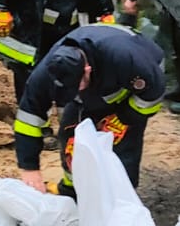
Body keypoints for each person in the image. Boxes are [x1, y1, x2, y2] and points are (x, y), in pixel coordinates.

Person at [13, 24, 166, 196]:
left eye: (77, 85)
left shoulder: (126, 58)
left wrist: (125, 117)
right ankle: (72, 191)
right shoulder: (47, 72)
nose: (75, 92)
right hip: (99, 83)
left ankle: (122, 197)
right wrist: (29, 167)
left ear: (87, 69)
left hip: (134, 81)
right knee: (70, 135)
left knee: (122, 143)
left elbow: (152, 95)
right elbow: (28, 118)